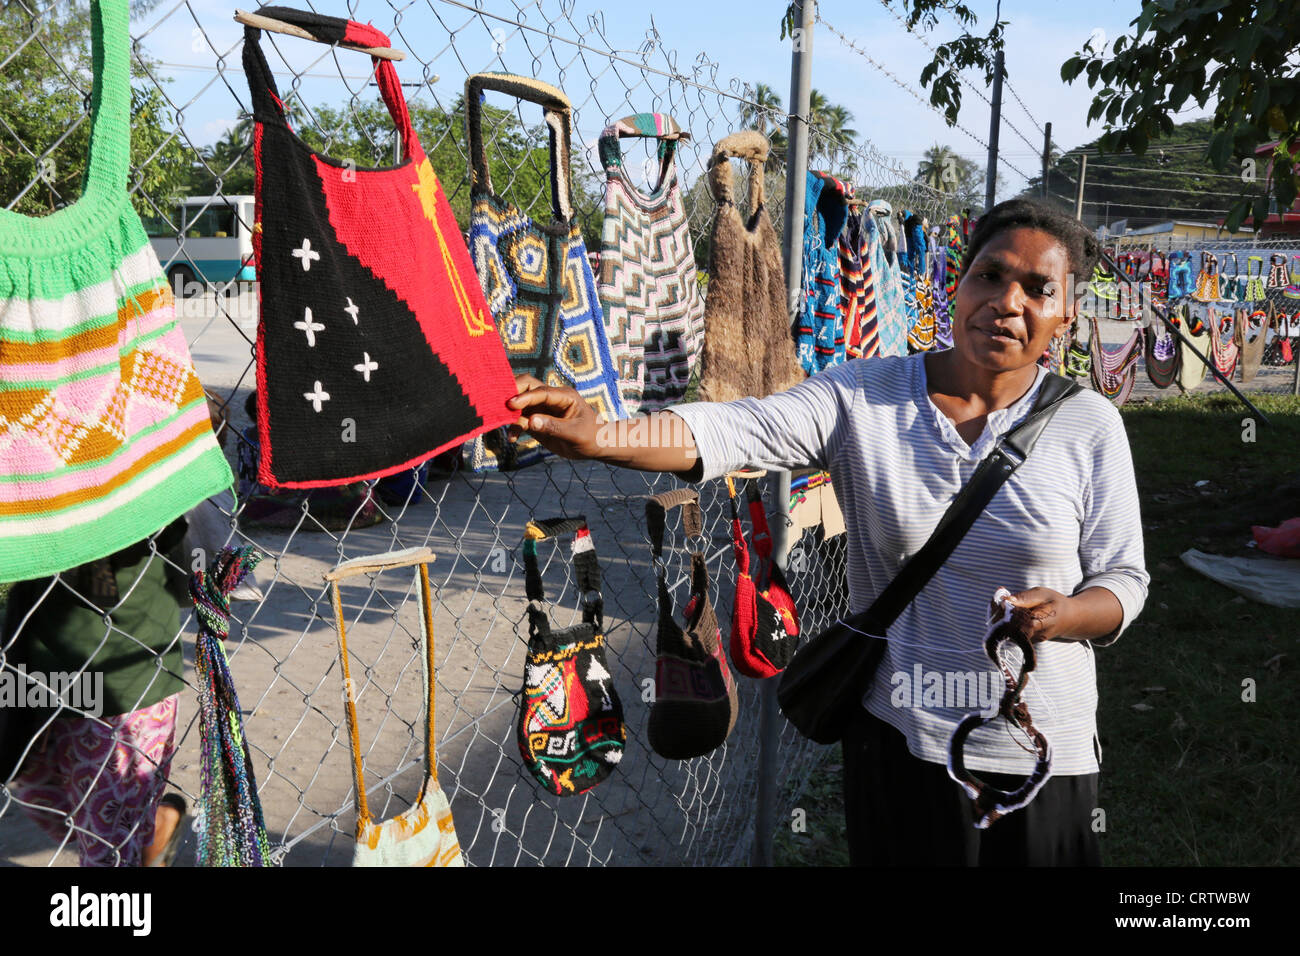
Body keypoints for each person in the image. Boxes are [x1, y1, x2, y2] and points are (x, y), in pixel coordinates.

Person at [505, 198, 1148, 866]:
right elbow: (734, 427)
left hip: (1042, 752)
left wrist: (1068, 613)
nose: (1006, 302)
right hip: (902, 739)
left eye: (1039, 289)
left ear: (1067, 312)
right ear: (960, 281)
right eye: (990, 276)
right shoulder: (865, 397)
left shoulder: (1089, 425)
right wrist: (601, 433)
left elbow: (1124, 581)